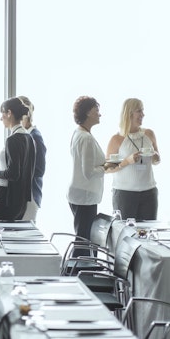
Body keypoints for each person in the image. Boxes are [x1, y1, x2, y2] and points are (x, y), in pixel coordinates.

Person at [67, 97, 117, 243]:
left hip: (80, 193)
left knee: (83, 238)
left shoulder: (78, 133)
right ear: (88, 113)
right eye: (97, 111)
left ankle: (77, 266)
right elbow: (88, 173)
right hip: (85, 196)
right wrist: (106, 167)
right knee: (84, 241)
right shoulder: (86, 138)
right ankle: (78, 266)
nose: (100, 114)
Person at [106, 98, 160, 220]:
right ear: (129, 113)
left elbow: (157, 160)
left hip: (149, 192)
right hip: (124, 194)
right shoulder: (116, 139)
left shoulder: (149, 134)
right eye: (139, 111)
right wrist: (127, 161)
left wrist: (155, 157)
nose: (143, 114)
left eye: (143, 111)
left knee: (147, 234)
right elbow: (107, 169)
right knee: (126, 234)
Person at [0, 97, 35, 221]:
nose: (0, 118)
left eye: (2, 114)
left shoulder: (12, 140)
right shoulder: (29, 138)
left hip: (7, 198)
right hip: (21, 199)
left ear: (9, 113)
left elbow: (13, 173)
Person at [19, 96, 46, 221]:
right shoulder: (24, 135)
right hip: (24, 195)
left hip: (30, 195)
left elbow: (40, 169)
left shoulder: (35, 136)